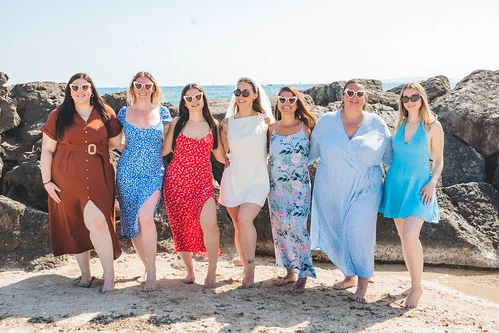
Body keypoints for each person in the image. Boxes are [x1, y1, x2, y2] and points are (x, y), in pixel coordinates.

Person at [308, 79, 393, 302]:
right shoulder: (326, 122)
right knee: (337, 231)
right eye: (350, 93)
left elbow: (392, 158)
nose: (354, 97)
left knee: (359, 231)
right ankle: (349, 275)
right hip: (331, 189)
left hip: (367, 189)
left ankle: (363, 281)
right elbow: (309, 153)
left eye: (359, 94)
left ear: (365, 98)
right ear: (342, 96)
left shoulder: (377, 124)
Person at [40, 72, 123, 293]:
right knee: (75, 222)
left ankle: (109, 275)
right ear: (69, 91)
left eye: (85, 87)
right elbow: (47, 150)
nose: (80, 91)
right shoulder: (58, 115)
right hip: (65, 176)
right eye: (75, 87)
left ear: (92, 89)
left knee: (98, 221)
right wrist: (47, 181)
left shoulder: (105, 113)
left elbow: (115, 143)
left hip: (99, 174)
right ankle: (85, 274)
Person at [379, 82, 443, 308]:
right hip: (396, 186)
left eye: (414, 96)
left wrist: (432, 183)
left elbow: (438, 160)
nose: (410, 101)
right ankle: (413, 281)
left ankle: (417, 288)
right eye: (405, 98)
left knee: (409, 236)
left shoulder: (433, 126)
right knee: (404, 239)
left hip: (419, 188)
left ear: (422, 97)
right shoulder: (400, 124)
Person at [162, 83, 225, 288]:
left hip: (203, 183)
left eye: (197, 96)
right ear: (184, 102)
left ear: (203, 98)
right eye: (189, 98)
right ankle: (190, 270)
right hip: (177, 182)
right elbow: (164, 151)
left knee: (210, 226)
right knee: (180, 227)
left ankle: (212, 271)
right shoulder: (177, 123)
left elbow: (220, 157)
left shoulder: (213, 125)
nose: (194, 101)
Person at [116, 71, 172, 292]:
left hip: (152, 172)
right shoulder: (123, 112)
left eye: (147, 85)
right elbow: (116, 141)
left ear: (153, 88)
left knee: (146, 217)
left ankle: (152, 272)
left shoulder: (163, 112)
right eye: (138, 85)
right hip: (127, 172)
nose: (142, 89)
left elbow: (166, 147)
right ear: (132, 87)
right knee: (133, 224)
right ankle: (146, 267)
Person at [219, 77, 275, 287]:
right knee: (237, 225)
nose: (241, 96)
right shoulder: (227, 123)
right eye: (238, 92)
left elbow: (275, 147)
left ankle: (251, 269)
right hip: (233, 178)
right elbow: (224, 153)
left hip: (257, 180)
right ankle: (244, 266)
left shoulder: (265, 121)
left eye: (245, 92)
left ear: (254, 95)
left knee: (244, 220)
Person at [267, 86, 317, 292]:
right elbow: (259, 154)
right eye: (282, 99)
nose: (286, 103)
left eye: (291, 99)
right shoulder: (271, 128)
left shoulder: (306, 127)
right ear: (277, 103)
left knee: (297, 227)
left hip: (299, 188)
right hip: (276, 187)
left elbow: (319, 152)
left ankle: (304, 271)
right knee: (280, 228)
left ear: (297, 103)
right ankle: (289, 271)